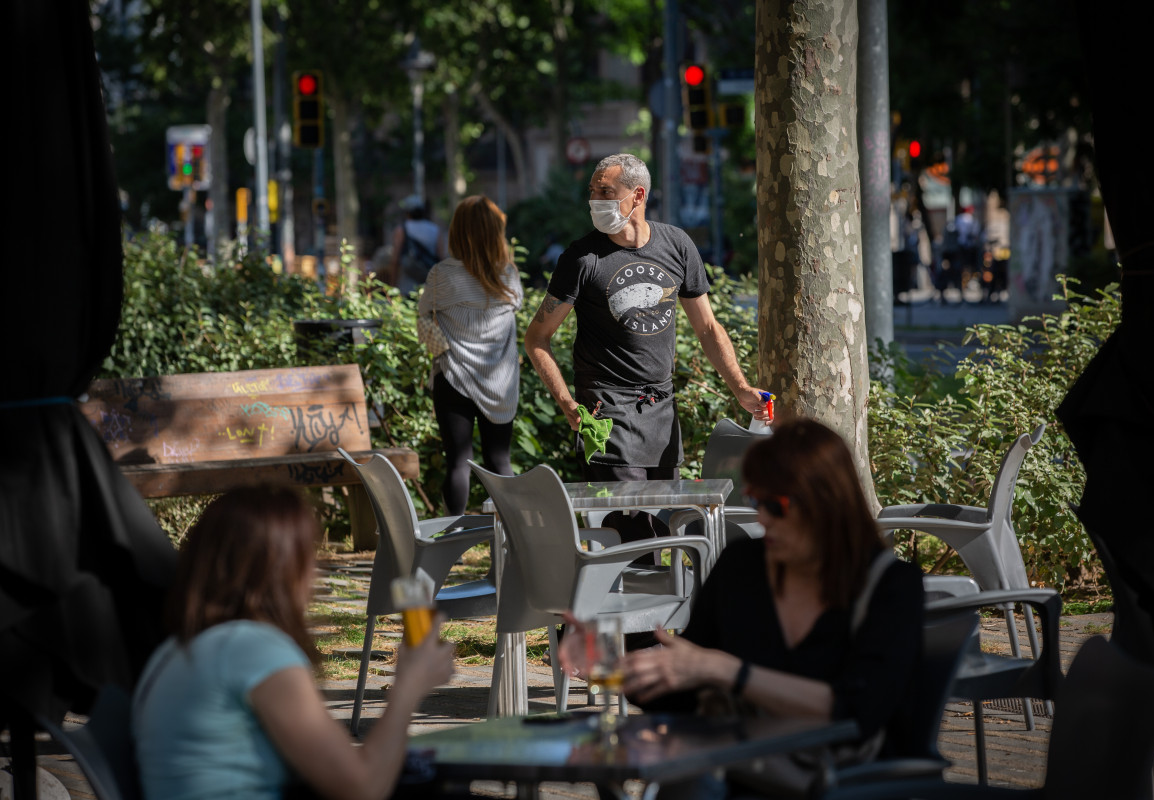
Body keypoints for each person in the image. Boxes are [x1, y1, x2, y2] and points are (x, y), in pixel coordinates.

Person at [613, 419, 925, 798]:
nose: (760, 517)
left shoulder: (890, 585)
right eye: (756, 501)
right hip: (745, 773)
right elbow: (687, 695)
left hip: (846, 781)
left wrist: (729, 671)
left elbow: (859, 710)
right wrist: (626, 671)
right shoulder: (742, 566)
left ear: (825, 503)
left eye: (775, 506)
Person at [132, 485, 456, 800]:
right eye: (308, 557)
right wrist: (408, 687)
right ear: (281, 568)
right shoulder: (251, 648)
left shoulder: (177, 650)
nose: (314, 574)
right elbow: (363, 787)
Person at [524, 153, 769, 551]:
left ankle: (658, 609)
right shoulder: (581, 258)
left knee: (664, 528)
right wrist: (567, 401)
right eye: (592, 191)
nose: (595, 200)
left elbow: (707, 328)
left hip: (660, 407)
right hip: (605, 412)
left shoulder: (677, 245)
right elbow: (536, 338)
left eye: (606, 192)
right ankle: (627, 606)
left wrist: (740, 388)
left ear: (637, 195)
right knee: (631, 533)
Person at [417, 195, 523, 516]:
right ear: (496, 232)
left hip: (453, 376)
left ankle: (454, 540)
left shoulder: (442, 275)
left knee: (458, 463)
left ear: (457, 231)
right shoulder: (508, 275)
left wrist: (440, 347)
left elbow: (423, 315)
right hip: (500, 382)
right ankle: (514, 537)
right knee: (499, 460)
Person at [390, 197, 445, 296]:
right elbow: (441, 258)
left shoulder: (402, 229)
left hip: (407, 285)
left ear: (407, 212)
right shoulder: (435, 229)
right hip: (430, 284)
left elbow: (395, 259)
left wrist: (393, 284)